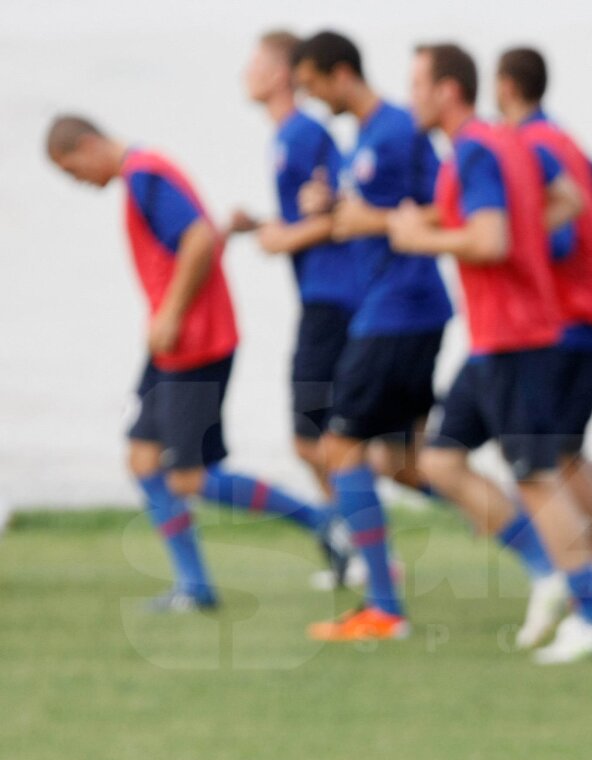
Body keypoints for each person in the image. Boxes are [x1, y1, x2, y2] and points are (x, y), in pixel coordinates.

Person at [46, 115, 347, 612]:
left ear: (86, 145)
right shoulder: (144, 173)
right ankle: (195, 586)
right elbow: (202, 234)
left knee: (191, 477)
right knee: (143, 460)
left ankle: (323, 521)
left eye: (72, 169)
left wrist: (171, 311)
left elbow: (197, 242)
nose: (78, 182)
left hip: (195, 342)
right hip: (172, 345)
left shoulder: (146, 173)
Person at [389, 42, 592, 664]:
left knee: (539, 478)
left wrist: (422, 237)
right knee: (440, 463)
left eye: (416, 83)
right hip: (496, 338)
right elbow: (572, 200)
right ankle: (547, 570)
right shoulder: (509, 141)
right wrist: (526, 239)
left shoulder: (474, 149)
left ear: (448, 90)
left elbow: (489, 239)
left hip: (517, 339)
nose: (408, 94)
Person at [290, 30, 454, 641]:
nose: (310, 97)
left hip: (399, 310)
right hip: (397, 309)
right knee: (410, 463)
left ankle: (384, 605)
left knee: (340, 447)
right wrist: (337, 206)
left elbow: (451, 205)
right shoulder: (370, 136)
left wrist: (361, 217)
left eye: (310, 84)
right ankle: (552, 545)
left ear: (338, 74)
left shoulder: (394, 130)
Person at [495, 46, 592, 602]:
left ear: (504, 87)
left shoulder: (528, 144)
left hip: (568, 319)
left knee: (550, 457)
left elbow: (561, 234)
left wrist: (511, 249)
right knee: (563, 452)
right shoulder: (562, 137)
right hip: (587, 312)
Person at [231, 28, 363, 589]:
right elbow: (305, 217)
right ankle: (352, 541)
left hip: (335, 297)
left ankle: (359, 543)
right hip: (321, 296)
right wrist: (262, 226)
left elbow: (339, 211)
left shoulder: (305, 131)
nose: (247, 70)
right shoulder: (284, 136)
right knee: (322, 435)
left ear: (283, 73)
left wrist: (280, 237)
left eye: (257, 60)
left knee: (312, 436)